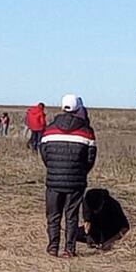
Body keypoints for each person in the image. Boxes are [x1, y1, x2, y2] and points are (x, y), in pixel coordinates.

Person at [40, 94, 97, 258]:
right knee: (71, 217)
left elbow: (44, 153)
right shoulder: (87, 132)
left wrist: (53, 169)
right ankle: (69, 249)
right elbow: (90, 158)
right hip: (76, 183)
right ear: (79, 109)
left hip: (53, 181)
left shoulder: (49, 130)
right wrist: (80, 172)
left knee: (53, 215)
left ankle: (52, 246)